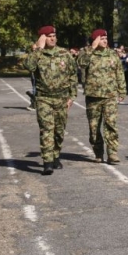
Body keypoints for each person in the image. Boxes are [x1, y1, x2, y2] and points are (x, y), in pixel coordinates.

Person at [22, 26, 78, 175]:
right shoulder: (37, 54)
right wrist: (38, 49)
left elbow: (73, 74)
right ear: (42, 38)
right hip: (43, 98)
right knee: (47, 130)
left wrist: (72, 96)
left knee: (59, 131)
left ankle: (55, 155)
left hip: (61, 98)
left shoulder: (64, 53)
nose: (53, 38)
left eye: (54, 35)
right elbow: (28, 66)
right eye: (49, 36)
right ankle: (47, 162)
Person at [77, 29, 127, 164]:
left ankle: (112, 153)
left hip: (110, 96)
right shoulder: (87, 53)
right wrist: (92, 48)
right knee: (94, 128)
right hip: (93, 96)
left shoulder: (112, 54)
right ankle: (98, 152)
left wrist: (122, 90)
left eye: (106, 38)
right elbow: (80, 63)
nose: (105, 41)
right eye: (101, 38)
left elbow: (119, 73)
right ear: (95, 40)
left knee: (111, 124)